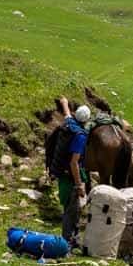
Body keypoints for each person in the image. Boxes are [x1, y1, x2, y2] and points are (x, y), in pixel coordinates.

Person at [52, 97, 91, 246]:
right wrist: (79, 184)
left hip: (61, 173)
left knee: (69, 207)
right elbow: (74, 162)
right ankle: (66, 241)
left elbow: (67, 113)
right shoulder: (80, 136)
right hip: (71, 176)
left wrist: (64, 102)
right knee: (71, 209)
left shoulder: (69, 124)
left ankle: (72, 238)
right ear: (86, 121)